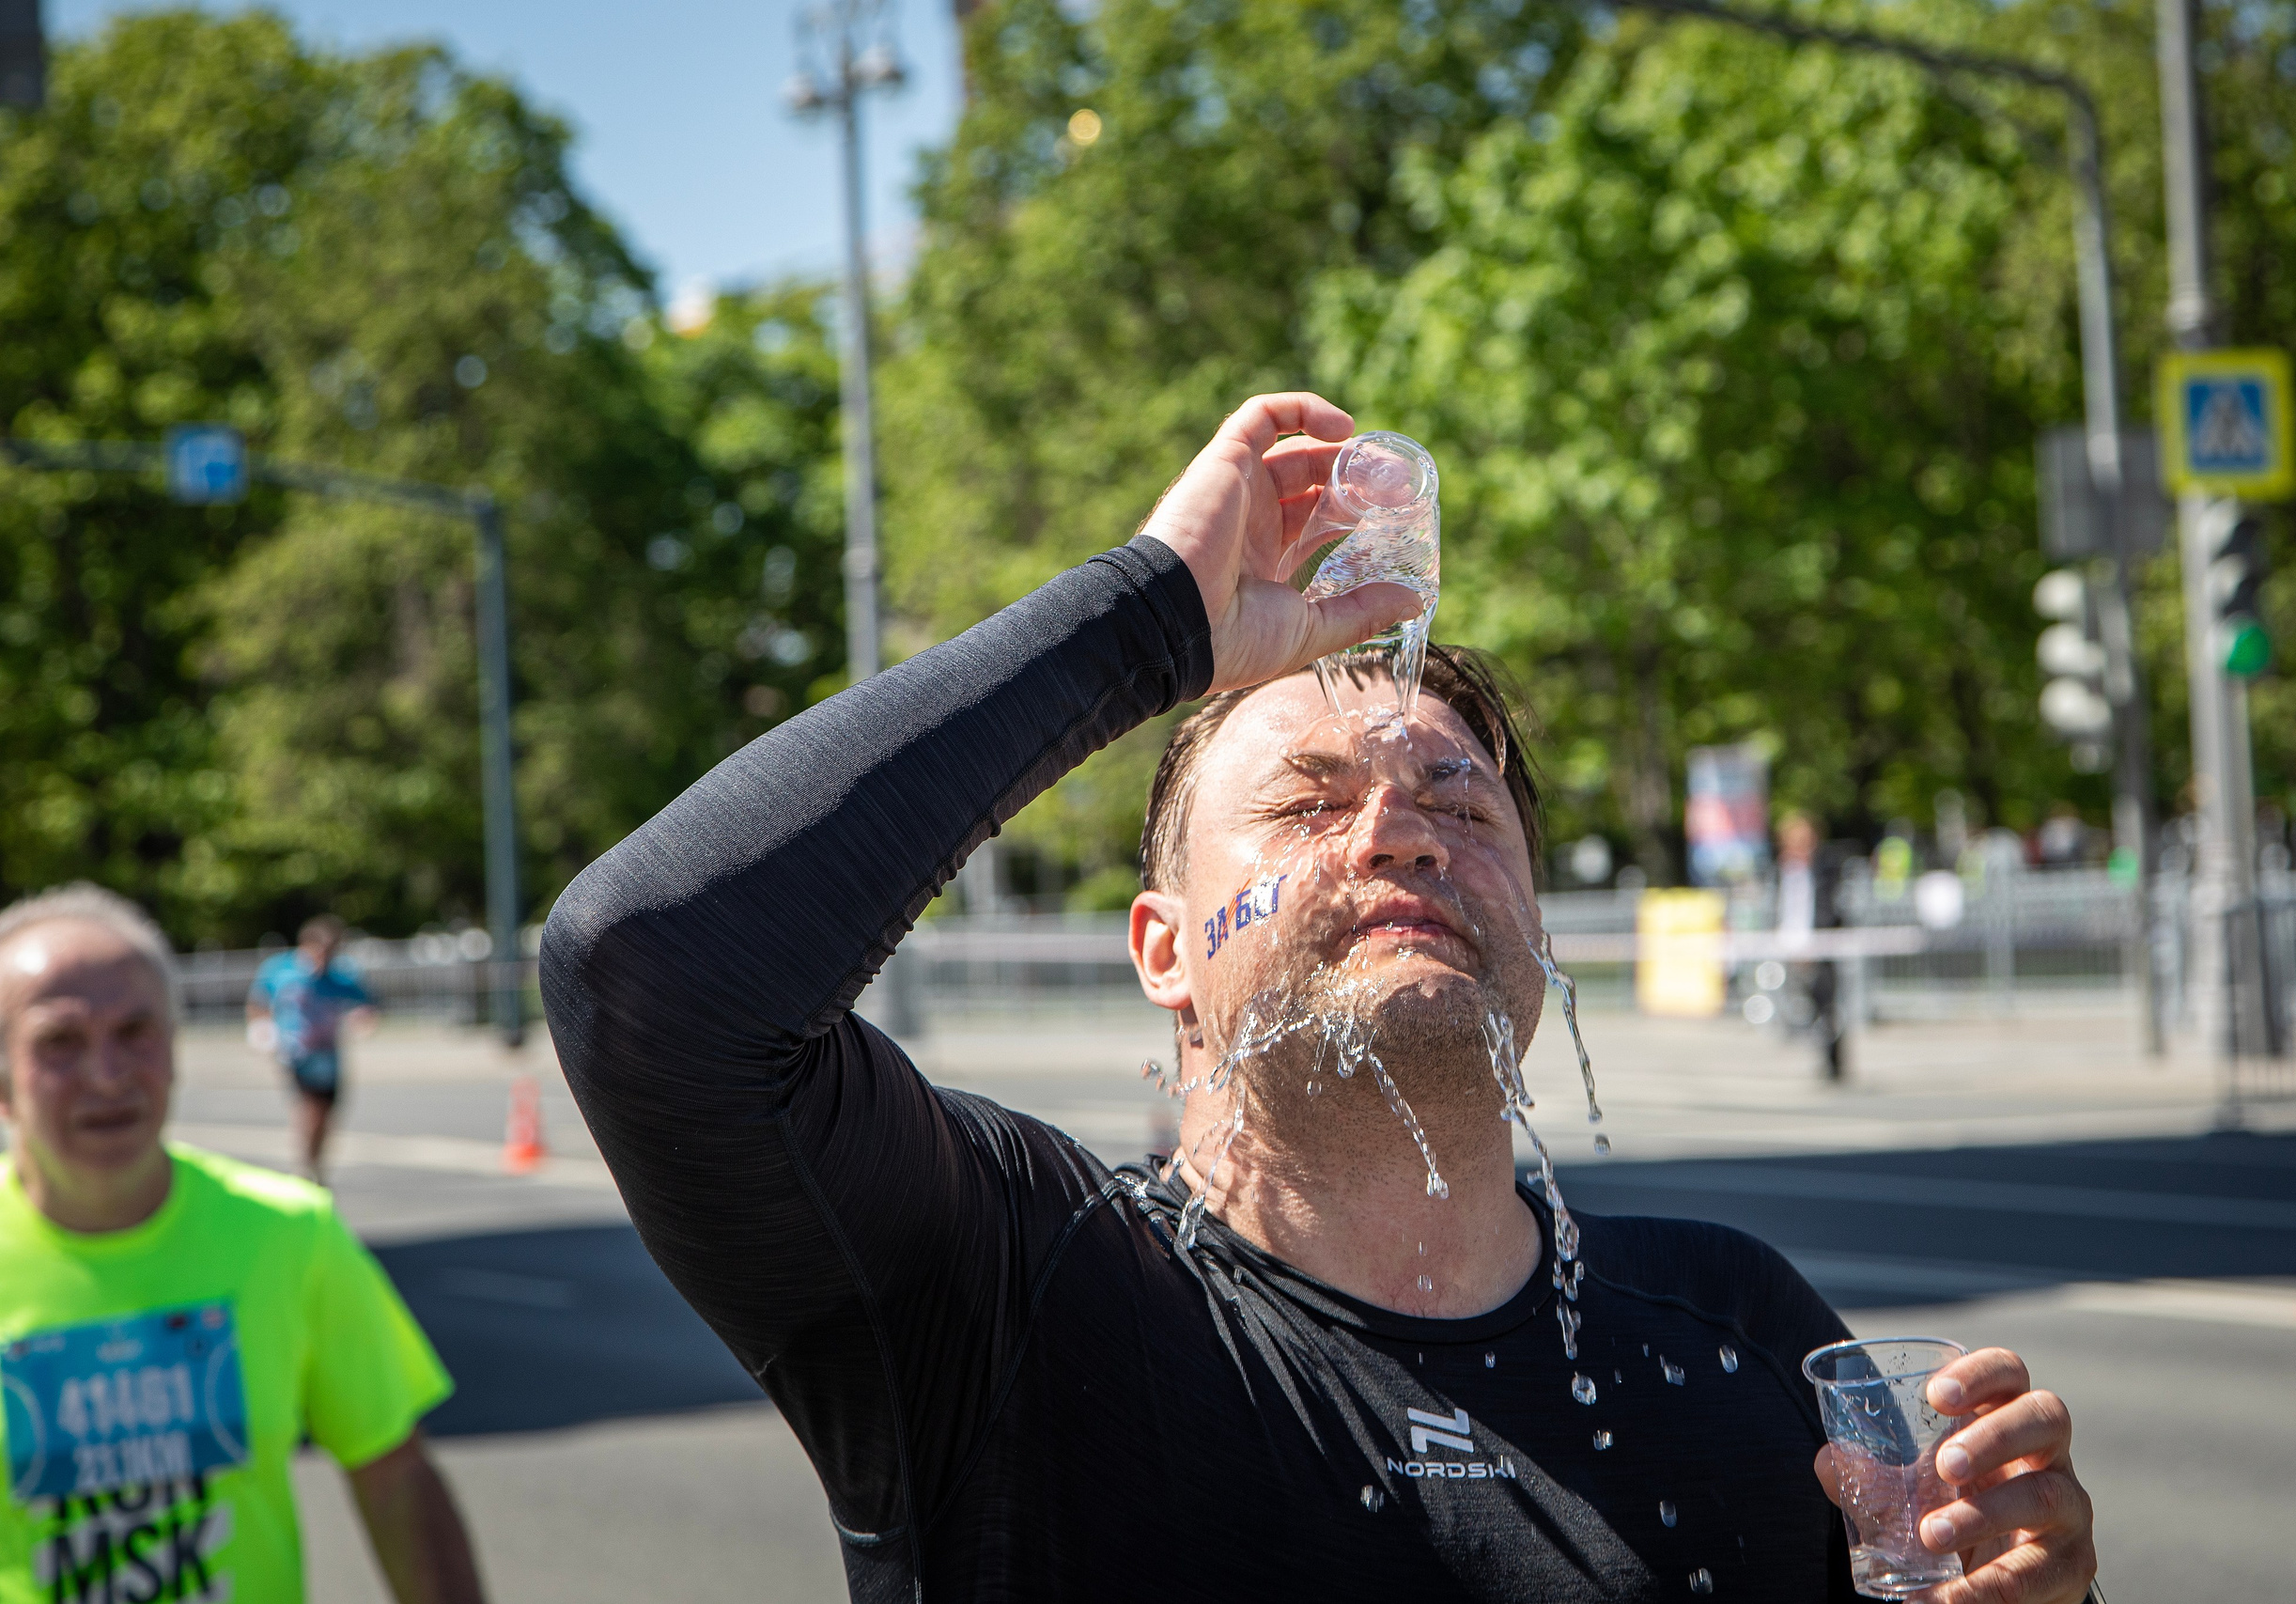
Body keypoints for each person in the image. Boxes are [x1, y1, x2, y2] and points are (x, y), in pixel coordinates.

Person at [543, 394, 2098, 1601]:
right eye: (1305, 799)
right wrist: (1148, 614)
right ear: (1162, 948)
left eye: (1464, 803)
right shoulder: (1006, 1279)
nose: (1405, 826)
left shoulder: (1737, 1323)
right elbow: (649, 970)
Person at [0, 884, 485, 1604]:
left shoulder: (291, 1233)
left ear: (173, 1050)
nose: (107, 1075)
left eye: (136, 1031)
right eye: (60, 1043)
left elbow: (395, 1477)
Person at [247, 916, 379, 1184]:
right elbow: (258, 1002)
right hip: (296, 1052)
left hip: (328, 1053)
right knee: (309, 1107)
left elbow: (366, 1005)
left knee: (327, 1112)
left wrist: (363, 1019)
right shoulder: (280, 970)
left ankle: (315, 1163)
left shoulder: (341, 976)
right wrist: (261, 1029)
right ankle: (305, 1167)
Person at [1776, 812, 1850, 1082]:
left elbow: (1827, 906)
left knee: (1828, 1004)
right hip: (1793, 946)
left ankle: (1833, 1062)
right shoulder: (1785, 872)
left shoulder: (1824, 867)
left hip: (1820, 944)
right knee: (1801, 1004)